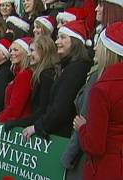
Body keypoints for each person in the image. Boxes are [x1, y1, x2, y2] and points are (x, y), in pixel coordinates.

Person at [22, 20, 92, 140]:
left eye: (62, 37)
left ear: (75, 42)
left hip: (60, 137)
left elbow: (61, 109)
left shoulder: (75, 70)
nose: (57, 41)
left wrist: (37, 127)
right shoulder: (71, 67)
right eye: (58, 37)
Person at [74, 21, 123, 180]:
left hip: (106, 170)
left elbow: (95, 145)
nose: (95, 48)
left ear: (109, 51)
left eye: (99, 44)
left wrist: (82, 128)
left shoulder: (102, 89)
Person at [4, 35, 57, 128]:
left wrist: (17, 123)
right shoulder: (41, 74)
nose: (29, 55)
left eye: (32, 51)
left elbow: (42, 111)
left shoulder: (46, 76)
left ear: (43, 51)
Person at [0, 37, 33, 123]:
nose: (12, 53)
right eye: (10, 50)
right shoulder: (18, 74)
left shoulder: (25, 75)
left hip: (16, 126)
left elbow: (15, 108)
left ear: (26, 53)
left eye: (16, 50)